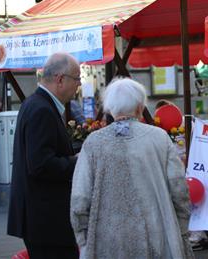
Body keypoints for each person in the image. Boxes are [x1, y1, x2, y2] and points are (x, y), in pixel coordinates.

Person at [70, 78, 194, 259]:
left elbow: (79, 200)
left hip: (107, 242)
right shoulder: (159, 138)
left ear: (111, 108)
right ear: (139, 107)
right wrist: (181, 231)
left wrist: (84, 242)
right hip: (156, 238)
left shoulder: (93, 143)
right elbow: (179, 189)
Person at [7, 53, 81, 259]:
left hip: (41, 218)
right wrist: (77, 161)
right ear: (60, 79)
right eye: (77, 78)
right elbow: (41, 164)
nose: (79, 84)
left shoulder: (36, 104)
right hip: (46, 221)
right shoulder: (42, 109)